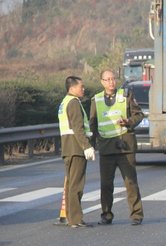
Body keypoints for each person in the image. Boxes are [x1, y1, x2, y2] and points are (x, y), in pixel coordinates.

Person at [89, 70, 144, 225]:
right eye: (107, 80)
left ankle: (136, 215)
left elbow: (139, 115)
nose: (111, 82)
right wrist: (90, 146)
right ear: (102, 82)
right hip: (106, 148)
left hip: (125, 146)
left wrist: (128, 121)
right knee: (106, 184)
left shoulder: (126, 95)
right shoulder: (96, 100)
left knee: (131, 182)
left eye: (113, 79)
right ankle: (106, 215)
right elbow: (92, 125)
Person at [57, 76, 95, 228]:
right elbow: (77, 128)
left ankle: (71, 217)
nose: (83, 89)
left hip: (68, 147)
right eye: (81, 86)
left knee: (71, 184)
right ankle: (76, 219)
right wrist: (86, 146)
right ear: (72, 88)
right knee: (76, 185)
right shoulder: (73, 103)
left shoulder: (64, 102)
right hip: (76, 148)